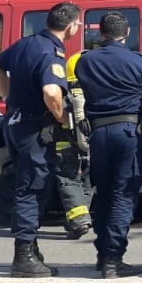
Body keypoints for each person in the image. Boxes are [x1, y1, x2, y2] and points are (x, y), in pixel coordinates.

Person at [0, 2, 82, 277]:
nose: (77, 28)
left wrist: (9, 98)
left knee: (30, 184)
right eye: (78, 24)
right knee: (31, 188)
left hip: (16, 122)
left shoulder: (26, 43)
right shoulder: (51, 52)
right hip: (34, 127)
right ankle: (23, 258)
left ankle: (31, 251)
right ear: (70, 26)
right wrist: (62, 119)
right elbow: (52, 93)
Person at [74, 12, 142, 278]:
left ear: (100, 33)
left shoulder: (85, 61)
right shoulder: (137, 61)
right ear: (127, 33)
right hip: (128, 132)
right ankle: (113, 259)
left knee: (103, 192)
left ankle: (102, 254)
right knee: (123, 195)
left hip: (98, 133)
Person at [52, 51, 93, 240]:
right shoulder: (94, 90)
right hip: (90, 145)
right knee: (87, 180)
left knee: (68, 179)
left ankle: (78, 220)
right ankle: (79, 218)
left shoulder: (64, 91)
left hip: (66, 144)